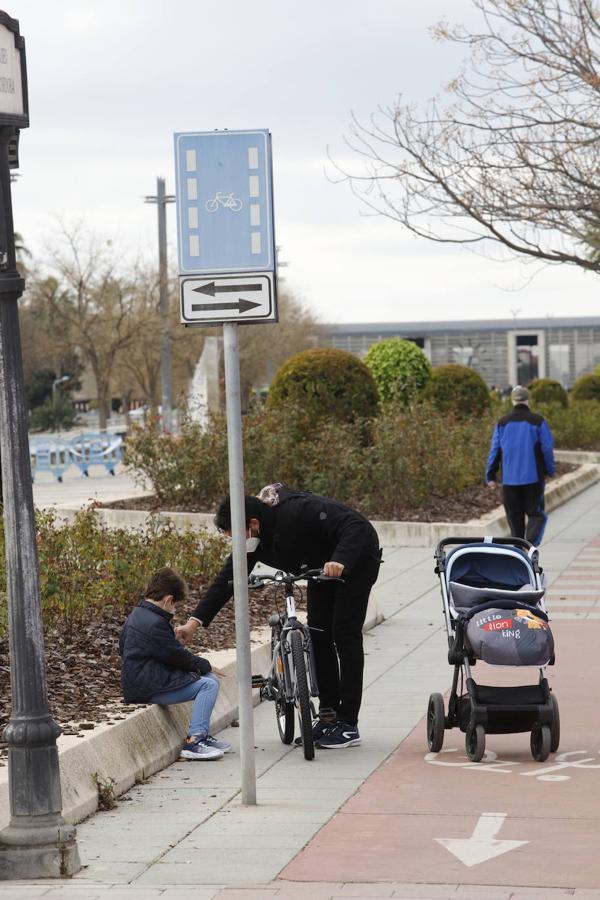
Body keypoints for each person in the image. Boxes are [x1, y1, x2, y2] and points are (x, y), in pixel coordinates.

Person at [176, 485, 382, 749]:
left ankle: (348, 724)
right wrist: (194, 622)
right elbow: (228, 578)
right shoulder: (255, 540)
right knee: (319, 633)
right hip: (320, 569)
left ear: (253, 522)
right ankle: (329, 716)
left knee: (344, 634)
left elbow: (357, 526)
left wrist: (341, 559)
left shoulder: (298, 512)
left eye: (238, 536)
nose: (238, 544)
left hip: (355, 560)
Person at [119, 566, 230, 761]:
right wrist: (206, 665)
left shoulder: (137, 615)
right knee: (209, 683)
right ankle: (195, 742)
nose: (174, 609)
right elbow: (178, 657)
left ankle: (201, 734)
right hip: (147, 687)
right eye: (174, 605)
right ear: (168, 599)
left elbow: (126, 647)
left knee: (209, 678)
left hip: (143, 680)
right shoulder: (155, 623)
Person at [486, 384, 556, 545]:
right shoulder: (538, 421)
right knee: (536, 514)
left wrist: (490, 475)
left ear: (512, 401)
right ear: (528, 401)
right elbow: (547, 448)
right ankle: (530, 545)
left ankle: (518, 553)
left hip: (509, 481)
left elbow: (495, 449)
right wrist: (550, 470)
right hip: (533, 479)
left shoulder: (502, 423)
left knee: (515, 520)